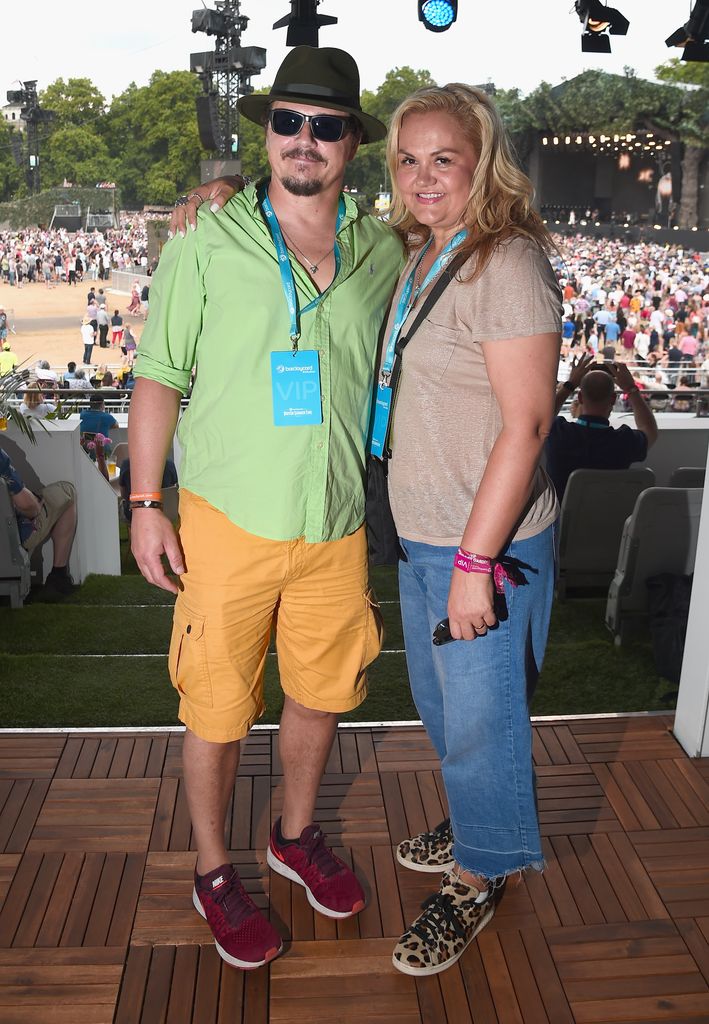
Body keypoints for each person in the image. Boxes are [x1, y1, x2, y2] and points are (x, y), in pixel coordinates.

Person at [177, 79, 562, 978]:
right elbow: (299, 220)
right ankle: (474, 820)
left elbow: (530, 423)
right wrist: (227, 189)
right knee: (444, 706)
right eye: (410, 160)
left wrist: (475, 559)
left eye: (445, 160)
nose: (424, 177)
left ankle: (480, 871)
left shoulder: (505, 262)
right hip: (418, 529)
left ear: (483, 165)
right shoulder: (417, 248)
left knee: (480, 720)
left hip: (481, 543)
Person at [128, 46, 402, 972]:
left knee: (322, 698)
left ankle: (292, 836)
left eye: (326, 126)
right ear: (269, 132)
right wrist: (143, 499)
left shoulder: (383, 250)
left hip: (334, 526)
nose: (304, 140)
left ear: (352, 144)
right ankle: (213, 871)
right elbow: (159, 374)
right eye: (288, 120)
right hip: (223, 520)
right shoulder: (206, 238)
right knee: (215, 709)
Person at [546, 358, 658, 500]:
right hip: (610, 521)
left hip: (562, 520)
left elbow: (543, 417)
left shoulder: (558, 433)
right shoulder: (625, 441)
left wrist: (570, 384)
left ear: (580, 397)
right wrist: (631, 389)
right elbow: (650, 430)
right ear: (613, 399)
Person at [0, 446, 78, 597]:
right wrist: (35, 507)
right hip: (9, 542)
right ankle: (58, 577)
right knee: (67, 491)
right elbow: (27, 506)